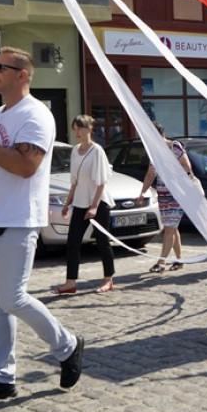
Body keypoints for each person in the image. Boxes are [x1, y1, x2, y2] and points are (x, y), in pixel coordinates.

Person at [0, 47, 84, 406]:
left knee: (13, 297)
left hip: (18, 219)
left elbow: (27, 165)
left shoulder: (36, 116)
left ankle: (67, 345)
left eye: (1, 67)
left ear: (23, 75)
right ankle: (1, 376)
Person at [55, 114, 116, 294]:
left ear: (90, 129)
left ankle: (108, 279)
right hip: (80, 203)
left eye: (80, 129)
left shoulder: (97, 151)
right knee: (73, 241)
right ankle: (70, 282)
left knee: (102, 241)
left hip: (98, 202)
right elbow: (75, 181)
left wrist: (94, 206)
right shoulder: (74, 151)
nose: (77, 133)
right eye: (74, 129)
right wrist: (68, 203)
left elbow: (101, 182)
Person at [136, 121, 192, 273]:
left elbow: (187, 167)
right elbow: (150, 174)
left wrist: (170, 171)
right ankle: (179, 260)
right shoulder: (153, 152)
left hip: (177, 194)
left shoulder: (174, 146)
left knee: (168, 229)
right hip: (163, 195)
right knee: (172, 228)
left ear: (161, 134)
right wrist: (142, 192)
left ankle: (161, 262)